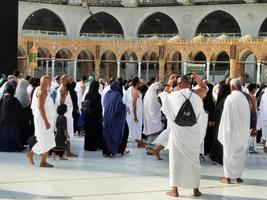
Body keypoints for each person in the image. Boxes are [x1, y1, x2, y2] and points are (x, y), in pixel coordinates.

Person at [160, 73, 207, 197]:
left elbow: (163, 96)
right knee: (194, 161)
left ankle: (174, 190)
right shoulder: (197, 96)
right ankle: (195, 189)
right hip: (193, 134)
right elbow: (205, 89)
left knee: (176, 161)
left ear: (178, 84)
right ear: (190, 84)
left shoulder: (173, 96)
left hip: (178, 134)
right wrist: (199, 80)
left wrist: (170, 82)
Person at [218, 78, 252, 184]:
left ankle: (228, 178)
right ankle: (237, 177)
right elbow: (248, 115)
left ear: (232, 87)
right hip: (242, 130)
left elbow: (226, 116)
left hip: (231, 130)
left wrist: (224, 129)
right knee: (240, 154)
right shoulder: (245, 98)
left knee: (228, 154)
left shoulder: (230, 98)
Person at [26, 76, 56, 168]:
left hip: (46, 120)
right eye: (49, 83)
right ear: (45, 83)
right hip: (43, 120)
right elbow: (40, 108)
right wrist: (46, 122)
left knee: (48, 140)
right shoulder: (42, 92)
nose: (51, 84)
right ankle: (31, 154)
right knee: (44, 140)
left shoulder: (40, 89)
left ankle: (43, 162)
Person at [103, 81, 128, 157]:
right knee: (122, 132)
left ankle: (106, 151)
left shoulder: (107, 94)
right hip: (115, 118)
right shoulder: (117, 94)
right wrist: (125, 107)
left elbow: (104, 103)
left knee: (107, 134)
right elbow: (119, 106)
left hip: (107, 116)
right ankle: (117, 150)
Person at [56, 75, 77, 157]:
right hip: (65, 115)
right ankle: (68, 152)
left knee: (67, 133)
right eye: (70, 80)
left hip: (67, 114)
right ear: (65, 81)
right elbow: (61, 104)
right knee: (67, 133)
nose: (71, 82)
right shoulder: (64, 90)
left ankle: (67, 151)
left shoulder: (63, 88)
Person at [0, 80, 25, 152]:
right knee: (13, 135)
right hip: (12, 122)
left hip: (3, 121)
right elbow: (21, 110)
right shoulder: (14, 99)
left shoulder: (3, 99)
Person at [209, 82, 231, 165]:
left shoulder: (222, 99)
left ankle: (215, 157)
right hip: (222, 123)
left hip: (219, 123)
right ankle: (217, 158)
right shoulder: (226, 100)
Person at [123, 76, 144, 147]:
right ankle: (138, 141)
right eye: (140, 82)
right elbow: (134, 105)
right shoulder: (135, 92)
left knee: (134, 126)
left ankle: (138, 140)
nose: (141, 83)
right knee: (137, 126)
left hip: (132, 112)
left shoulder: (130, 89)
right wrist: (135, 116)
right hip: (135, 112)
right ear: (137, 83)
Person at [83, 80, 103, 151]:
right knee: (95, 132)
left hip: (87, 116)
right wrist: (101, 116)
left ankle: (87, 146)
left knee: (88, 132)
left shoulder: (87, 95)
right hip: (95, 117)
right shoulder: (98, 95)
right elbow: (99, 107)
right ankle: (94, 146)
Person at [143, 82, 163, 148]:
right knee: (155, 132)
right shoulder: (153, 98)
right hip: (154, 117)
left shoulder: (148, 96)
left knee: (153, 133)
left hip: (150, 117)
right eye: (157, 90)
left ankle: (150, 147)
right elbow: (158, 106)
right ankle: (151, 148)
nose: (158, 91)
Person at [15, 79, 33, 145]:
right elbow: (27, 103)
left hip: (19, 112)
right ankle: (25, 140)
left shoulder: (18, 90)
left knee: (21, 127)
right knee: (25, 126)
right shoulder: (24, 92)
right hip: (25, 112)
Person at [247, 83, 258, 154]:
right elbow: (254, 108)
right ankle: (251, 148)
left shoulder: (246, 96)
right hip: (252, 115)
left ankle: (249, 147)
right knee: (253, 132)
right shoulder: (253, 97)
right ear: (253, 89)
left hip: (247, 115)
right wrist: (255, 116)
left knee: (249, 132)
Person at [257, 87, 267, 153]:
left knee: (264, 134)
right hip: (264, 117)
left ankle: (265, 148)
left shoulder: (263, 95)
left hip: (264, 117)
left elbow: (260, 107)